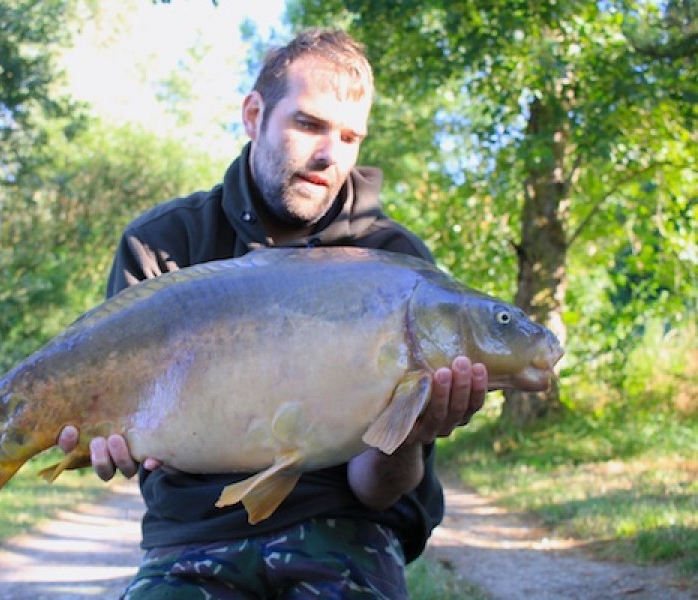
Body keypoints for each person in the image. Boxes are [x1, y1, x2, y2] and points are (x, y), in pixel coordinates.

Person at [58, 27, 488, 599]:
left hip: (346, 528)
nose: (329, 154)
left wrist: (408, 435)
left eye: (350, 136)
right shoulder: (164, 245)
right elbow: (114, 427)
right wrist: (98, 438)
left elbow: (376, 489)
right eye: (308, 124)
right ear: (254, 114)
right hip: (193, 532)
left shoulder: (396, 267)